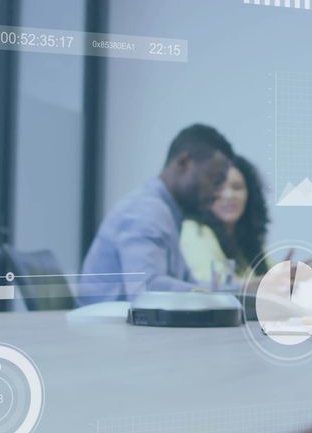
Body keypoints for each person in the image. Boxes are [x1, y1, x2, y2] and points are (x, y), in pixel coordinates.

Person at [78, 124, 233, 303]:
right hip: (104, 328)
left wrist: (234, 292)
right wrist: (221, 296)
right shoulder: (146, 210)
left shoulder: (169, 212)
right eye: (215, 180)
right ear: (183, 163)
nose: (218, 192)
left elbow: (186, 282)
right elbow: (146, 289)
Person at [180, 155, 272, 284]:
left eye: (237, 187)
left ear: (250, 194)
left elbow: (274, 280)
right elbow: (213, 285)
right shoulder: (194, 230)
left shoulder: (251, 238)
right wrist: (266, 283)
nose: (229, 195)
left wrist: (291, 278)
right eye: (218, 186)